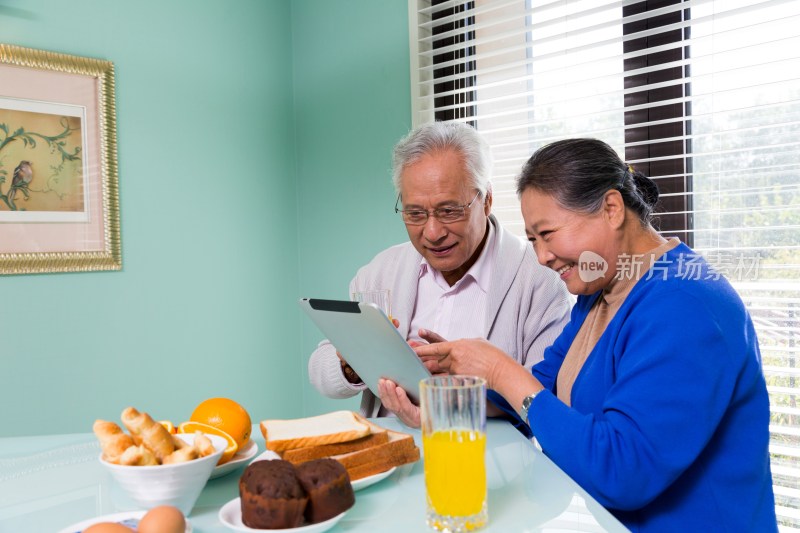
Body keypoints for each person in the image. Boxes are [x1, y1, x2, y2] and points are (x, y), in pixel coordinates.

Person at [402, 138, 777, 531]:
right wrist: (456, 390)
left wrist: (497, 369)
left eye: (547, 233)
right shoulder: (603, 290)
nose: (542, 256)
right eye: (532, 240)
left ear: (611, 209)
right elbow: (542, 388)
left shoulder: (685, 305)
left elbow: (621, 473)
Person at [308, 122, 572, 433]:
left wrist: (457, 397)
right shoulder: (380, 271)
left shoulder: (540, 277)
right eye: (415, 214)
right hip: (390, 455)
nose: (432, 233)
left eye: (449, 211)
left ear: (486, 200)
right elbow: (321, 371)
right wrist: (351, 363)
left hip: (487, 458)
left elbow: (547, 395)